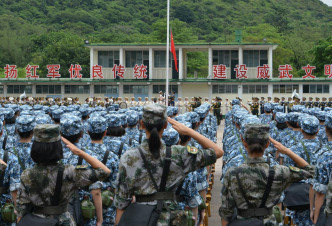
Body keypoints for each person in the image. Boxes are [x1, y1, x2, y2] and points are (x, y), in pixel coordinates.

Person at [114, 104, 223, 225]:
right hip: (170, 219)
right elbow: (217, 152)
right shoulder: (179, 154)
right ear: (166, 125)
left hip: (140, 218)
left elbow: (122, 202)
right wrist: (188, 131)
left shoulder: (129, 157)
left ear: (142, 124)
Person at [220, 123, 315, 226]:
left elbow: (226, 211)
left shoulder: (232, 173)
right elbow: (312, 171)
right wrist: (286, 151)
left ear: (244, 143)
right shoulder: (279, 171)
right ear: (267, 144)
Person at [16, 124, 111, 225]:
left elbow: (21, 209)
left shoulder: (27, 175)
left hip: (37, 222)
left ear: (35, 148)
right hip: (63, 221)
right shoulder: (69, 172)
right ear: (58, 147)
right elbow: (105, 171)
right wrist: (80, 152)